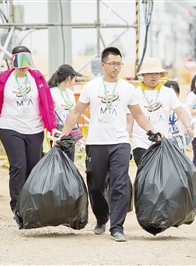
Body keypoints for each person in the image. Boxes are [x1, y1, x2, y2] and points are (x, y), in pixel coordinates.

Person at [58, 47, 161, 242]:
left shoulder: (127, 88)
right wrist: (63, 135)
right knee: (95, 185)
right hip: (96, 143)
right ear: (103, 65)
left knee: (119, 184)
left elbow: (139, 114)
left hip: (120, 143)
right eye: (113, 64)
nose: (116, 67)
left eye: (119, 64)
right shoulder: (91, 87)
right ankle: (102, 217)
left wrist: (153, 131)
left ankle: (117, 227)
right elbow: (75, 113)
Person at [0, 45, 57, 213]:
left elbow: (47, 103)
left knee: (33, 167)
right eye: (20, 60)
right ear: (12, 61)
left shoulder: (37, 77)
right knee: (18, 166)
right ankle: (17, 207)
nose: (24, 65)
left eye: (27, 60)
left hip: (34, 128)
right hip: (10, 127)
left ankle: (32, 203)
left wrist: (52, 127)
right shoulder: (4, 78)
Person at [128, 58, 193, 165]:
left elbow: (180, 111)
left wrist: (188, 126)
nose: (154, 76)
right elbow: (129, 120)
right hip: (141, 143)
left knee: (161, 177)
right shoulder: (135, 94)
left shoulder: (168, 93)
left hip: (162, 143)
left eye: (156, 73)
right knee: (145, 176)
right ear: (143, 75)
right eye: (150, 73)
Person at [47, 64, 82, 161]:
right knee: (58, 161)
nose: (75, 80)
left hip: (70, 132)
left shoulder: (70, 93)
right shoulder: (51, 92)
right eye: (75, 77)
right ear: (69, 78)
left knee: (70, 162)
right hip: (57, 132)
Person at [164, 80, 193, 152]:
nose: (172, 96)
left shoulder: (184, 108)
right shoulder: (162, 108)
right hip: (165, 141)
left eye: (174, 93)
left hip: (179, 140)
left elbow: (190, 124)